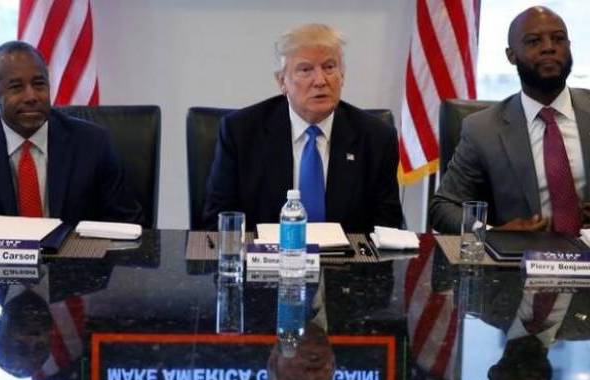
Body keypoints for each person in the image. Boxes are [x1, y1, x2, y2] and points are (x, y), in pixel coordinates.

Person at [203, 23, 403, 232]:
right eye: (306, 69)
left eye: (329, 67)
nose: (320, 80)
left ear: (342, 76)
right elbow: (217, 222)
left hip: (348, 263)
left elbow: (388, 228)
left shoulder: (376, 137)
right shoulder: (241, 133)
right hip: (264, 261)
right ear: (282, 81)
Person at [430, 6, 590, 234]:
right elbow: (443, 208)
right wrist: (493, 232)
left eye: (558, 39)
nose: (549, 48)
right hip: (518, 263)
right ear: (511, 56)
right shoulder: (483, 129)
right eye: (534, 41)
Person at [0, 41, 143, 227]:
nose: (31, 96)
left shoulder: (93, 143)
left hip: (76, 258)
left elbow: (127, 225)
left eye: (39, 84)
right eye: (16, 87)